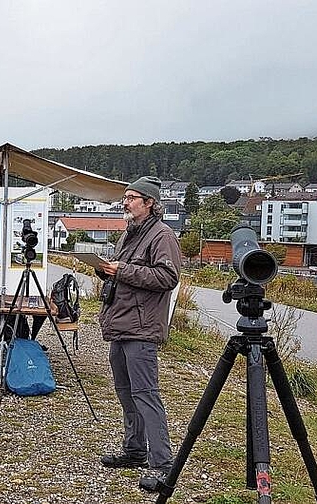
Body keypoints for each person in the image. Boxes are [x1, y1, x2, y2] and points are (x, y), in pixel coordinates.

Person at [96, 176, 181, 492]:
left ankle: (163, 465)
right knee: (124, 391)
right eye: (125, 197)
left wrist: (122, 270)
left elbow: (168, 277)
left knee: (146, 394)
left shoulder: (162, 236)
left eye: (132, 197)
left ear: (149, 202)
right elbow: (124, 272)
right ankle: (135, 450)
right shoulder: (130, 234)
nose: (125, 202)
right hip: (121, 324)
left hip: (142, 329)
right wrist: (106, 269)